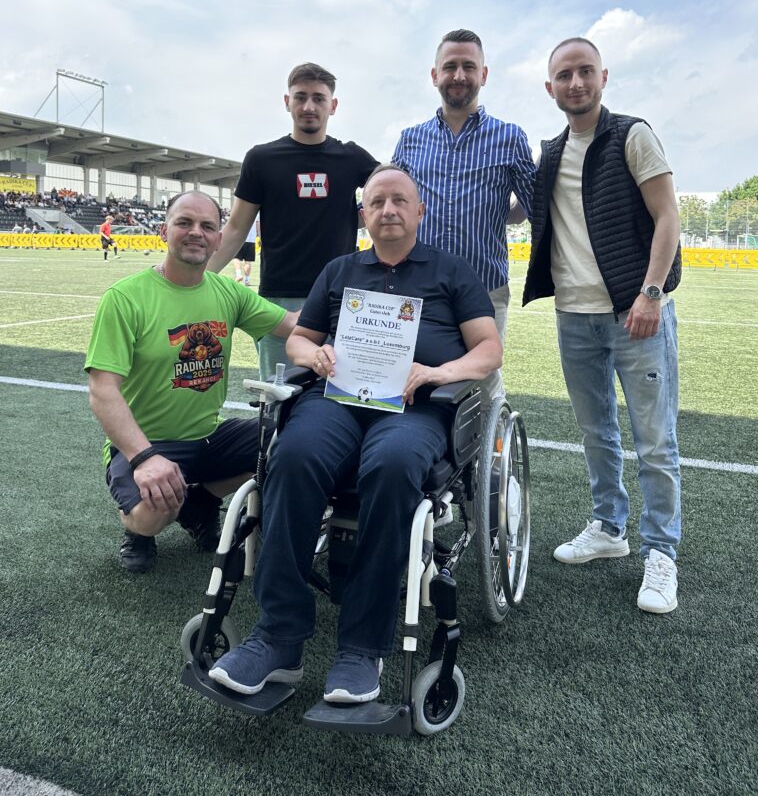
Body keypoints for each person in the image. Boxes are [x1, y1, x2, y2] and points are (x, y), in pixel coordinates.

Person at [208, 165, 501, 703]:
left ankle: (362, 648)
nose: (388, 210)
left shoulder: (451, 271)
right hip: (338, 401)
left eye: (400, 200)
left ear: (419, 211)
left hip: (415, 407)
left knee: (392, 466)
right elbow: (299, 339)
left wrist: (439, 372)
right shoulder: (340, 270)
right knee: (293, 454)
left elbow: (488, 349)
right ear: (363, 214)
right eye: (377, 201)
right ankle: (277, 637)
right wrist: (313, 353)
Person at [522, 37, 682, 614]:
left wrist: (650, 294)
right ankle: (610, 528)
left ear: (603, 77)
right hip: (574, 317)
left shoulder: (632, 135)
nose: (576, 83)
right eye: (564, 75)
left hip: (634, 312)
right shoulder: (549, 154)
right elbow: (524, 209)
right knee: (597, 433)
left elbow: (668, 215)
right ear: (550, 88)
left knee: (655, 440)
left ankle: (661, 551)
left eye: (584, 71)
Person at [85, 191, 299, 573]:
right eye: (184, 223)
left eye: (207, 226)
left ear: (218, 239)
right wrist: (144, 458)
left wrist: (352, 305)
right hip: (147, 441)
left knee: (289, 443)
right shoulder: (125, 298)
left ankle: (200, 503)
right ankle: (138, 530)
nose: (196, 232)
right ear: (164, 231)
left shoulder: (228, 292)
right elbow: (102, 391)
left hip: (208, 436)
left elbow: (294, 326)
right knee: (152, 513)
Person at [208, 63, 378, 380]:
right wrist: (195, 277)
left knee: (342, 390)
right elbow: (236, 229)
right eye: (300, 97)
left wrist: (361, 216)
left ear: (333, 105)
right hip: (279, 300)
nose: (309, 106)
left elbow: (392, 192)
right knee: (279, 395)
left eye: (318, 98)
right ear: (287, 102)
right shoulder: (261, 159)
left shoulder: (352, 158)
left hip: (342, 297)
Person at [393, 29, 535, 407]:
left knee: (482, 387)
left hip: (484, 287)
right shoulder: (410, 139)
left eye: (468, 67)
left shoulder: (510, 137)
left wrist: (506, 214)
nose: (459, 75)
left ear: (483, 75)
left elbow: (536, 207)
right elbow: (393, 207)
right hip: (417, 288)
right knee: (414, 383)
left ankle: (488, 445)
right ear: (434, 75)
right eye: (450, 66)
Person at [232, 220, 257, 286]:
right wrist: (259, 237)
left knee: (236, 258)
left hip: (240, 239)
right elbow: (258, 226)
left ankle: (238, 275)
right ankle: (247, 280)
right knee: (248, 261)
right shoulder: (257, 214)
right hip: (251, 240)